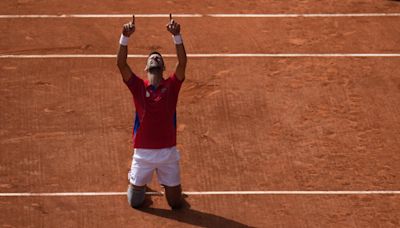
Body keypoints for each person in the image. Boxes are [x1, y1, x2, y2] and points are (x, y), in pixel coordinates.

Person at [116, 14, 187, 209]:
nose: (155, 57)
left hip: (168, 153)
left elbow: (182, 64)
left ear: (163, 67)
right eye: (151, 58)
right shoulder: (138, 86)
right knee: (135, 202)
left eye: (158, 57)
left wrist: (177, 36)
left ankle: (168, 188)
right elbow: (121, 65)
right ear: (147, 67)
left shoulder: (172, 85)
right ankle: (138, 183)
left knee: (176, 204)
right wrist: (125, 37)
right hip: (143, 154)